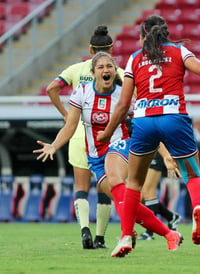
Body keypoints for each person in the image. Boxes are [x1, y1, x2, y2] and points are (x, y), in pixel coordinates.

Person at [96, 14, 200, 257]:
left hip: (143, 121)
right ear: (166, 34)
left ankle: (125, 237)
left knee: (134, 183)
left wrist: (107, 133)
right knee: (193, 175)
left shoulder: (134, 59)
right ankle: (197, 209)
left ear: (143, 36)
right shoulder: (178, 51)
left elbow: (123, 105)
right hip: (174, 117)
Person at [35, 52, 182, 256]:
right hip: (95, 157)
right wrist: (54, 145)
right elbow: (70, 126)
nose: (106, 70)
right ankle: (169, 234)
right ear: (93, 72)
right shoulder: (81, 92)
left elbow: (146, 125)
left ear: (115, 70)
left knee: (114, 178)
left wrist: (165, 154)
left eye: (109, 66)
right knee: (124, 202)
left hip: (120, 145)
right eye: (101, 67)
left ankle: (126, 236)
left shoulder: (125, 96)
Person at [45, 25, 119, 249]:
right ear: (111, 49)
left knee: (81, 186)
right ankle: (100, 238)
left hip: (78, 134)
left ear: (90, 49)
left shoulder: (76, 69)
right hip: (107, 138)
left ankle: (84, 230)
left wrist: (67, 115)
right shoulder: (117, 70)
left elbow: (51, 89)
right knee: (106, 187)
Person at [138, 147, 182, 241]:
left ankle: (149, 232)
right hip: (146, 150)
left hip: (157, 151)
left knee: (148, 192)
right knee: (142, 195)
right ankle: (171, 217)